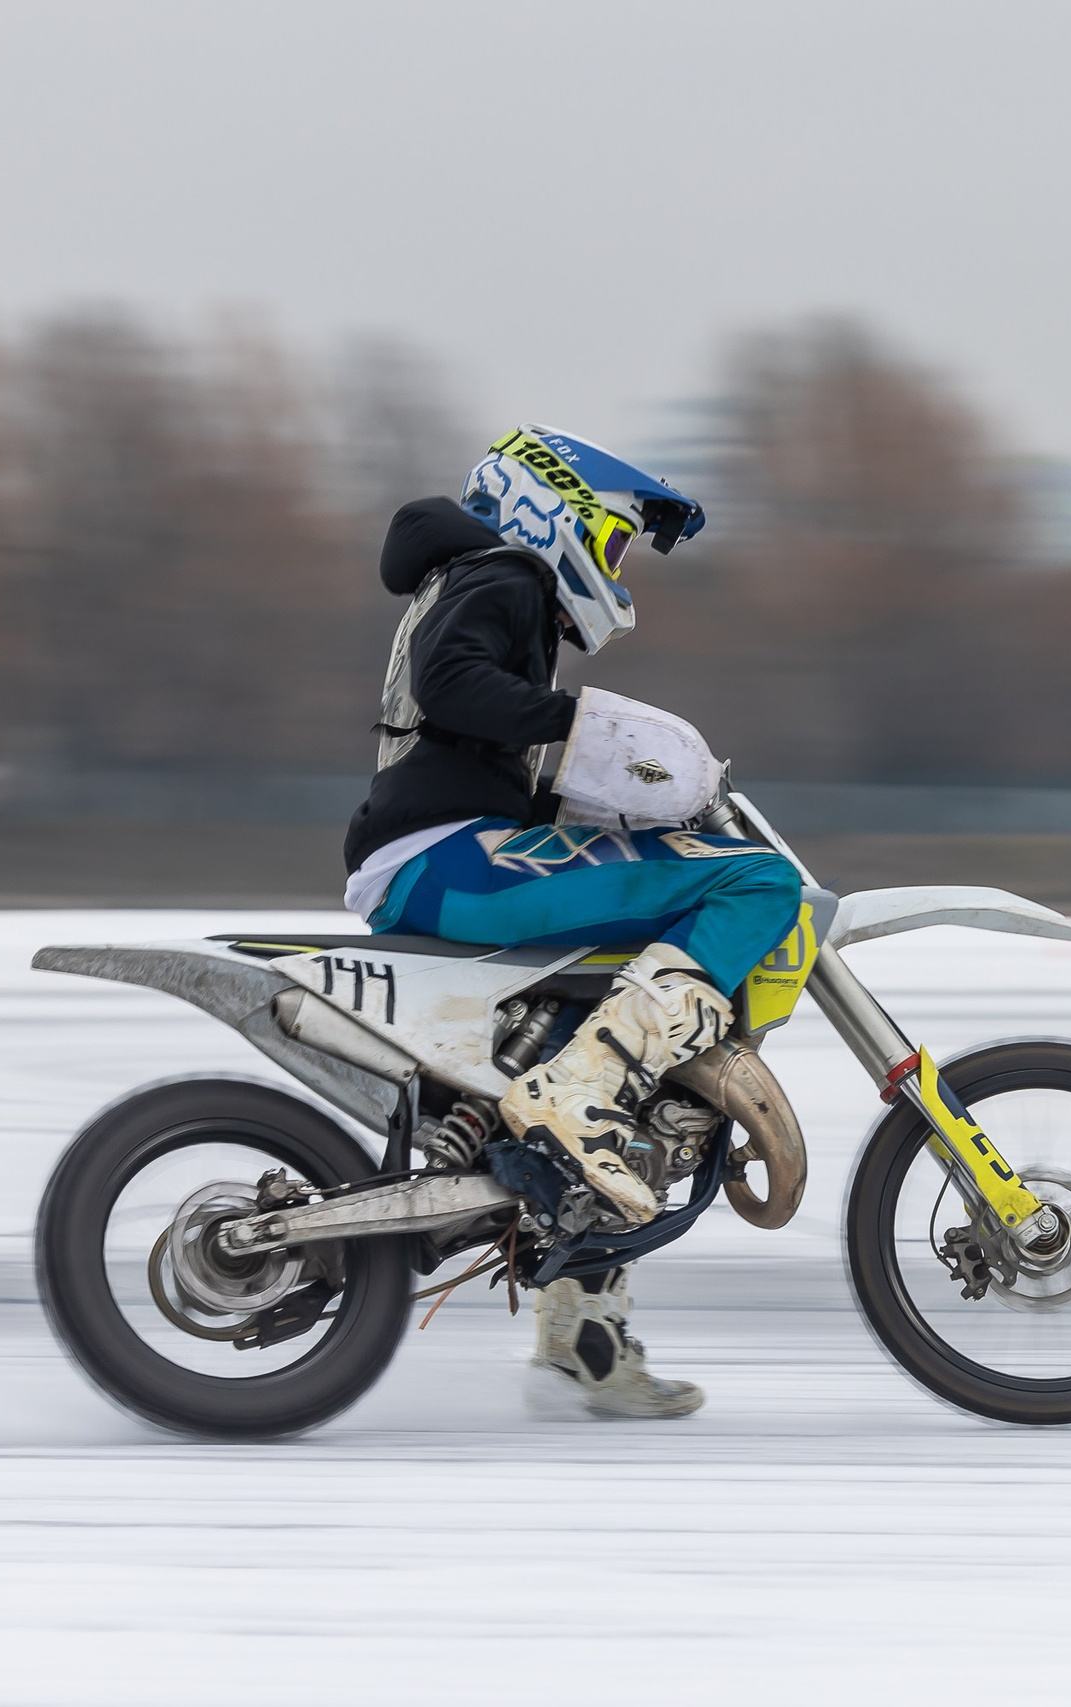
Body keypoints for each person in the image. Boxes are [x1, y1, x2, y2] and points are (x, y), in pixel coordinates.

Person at [341, 426, 801, 1418]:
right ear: (553, 510)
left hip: (444, 851)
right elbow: (451, 684)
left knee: (617, 1001)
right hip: (441, 858)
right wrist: (581, 726)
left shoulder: (482, 579)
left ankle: (579, 1328)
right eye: (615, 540)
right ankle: (580, 1090)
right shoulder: (502, 571)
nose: (617, 568)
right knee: (760, 883)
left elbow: (463, 739)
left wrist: (592, 791)